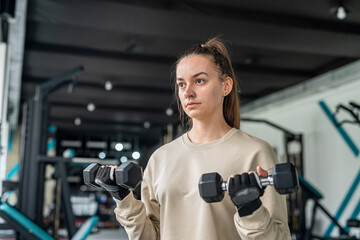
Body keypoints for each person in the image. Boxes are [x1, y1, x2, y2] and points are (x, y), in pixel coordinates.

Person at [95, 37, 291, 239]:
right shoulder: (161, 158)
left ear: (226, 86)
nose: (187, 92)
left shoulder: (254, 152)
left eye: (199, 81)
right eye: (181, 84)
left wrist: (251, 209)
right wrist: (123, 198)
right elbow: (149, 236)